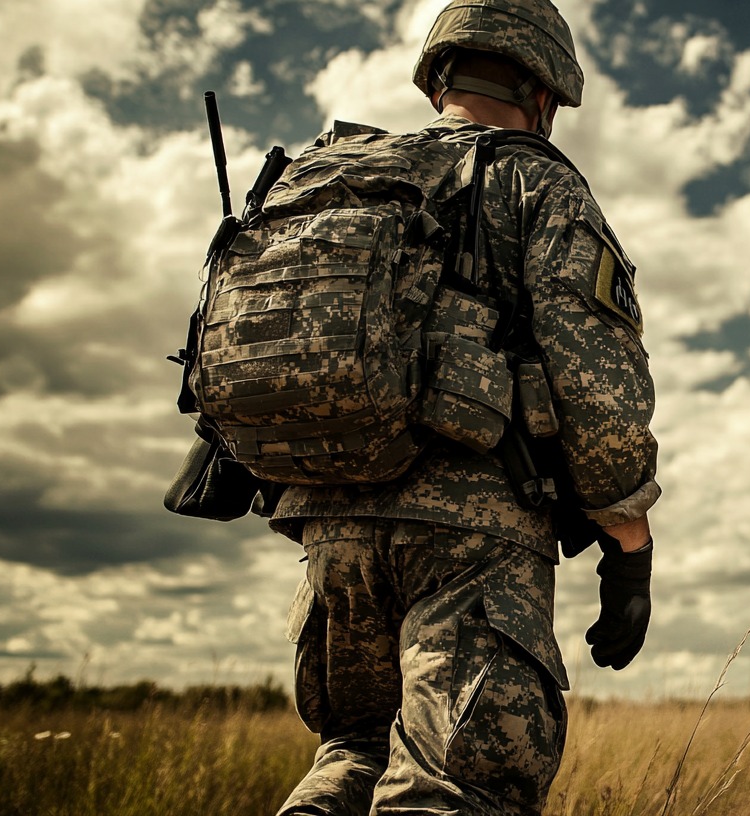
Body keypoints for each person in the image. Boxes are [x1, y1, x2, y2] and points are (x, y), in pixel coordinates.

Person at [267, 2, 660, 813]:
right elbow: (602, 393)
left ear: (439, 75)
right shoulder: (535, 177)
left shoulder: (331, 177)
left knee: (349, 756)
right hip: (475, 544)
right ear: (544, 91)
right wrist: (629, 548)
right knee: (451, 791)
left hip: (330, 537)